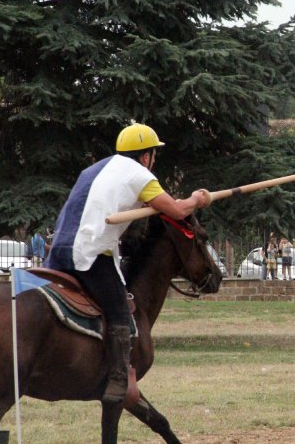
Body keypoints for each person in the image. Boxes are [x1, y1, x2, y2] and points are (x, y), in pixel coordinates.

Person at [46, 123, 212, 405]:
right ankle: (118, 379)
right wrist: (197, 199)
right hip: (91, 253)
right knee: (122, 313)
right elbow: (175, 210)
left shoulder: (94, 170)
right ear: (146, 156)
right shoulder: (140, 175)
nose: (153, 160)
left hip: (59, 251)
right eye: (153, 154)